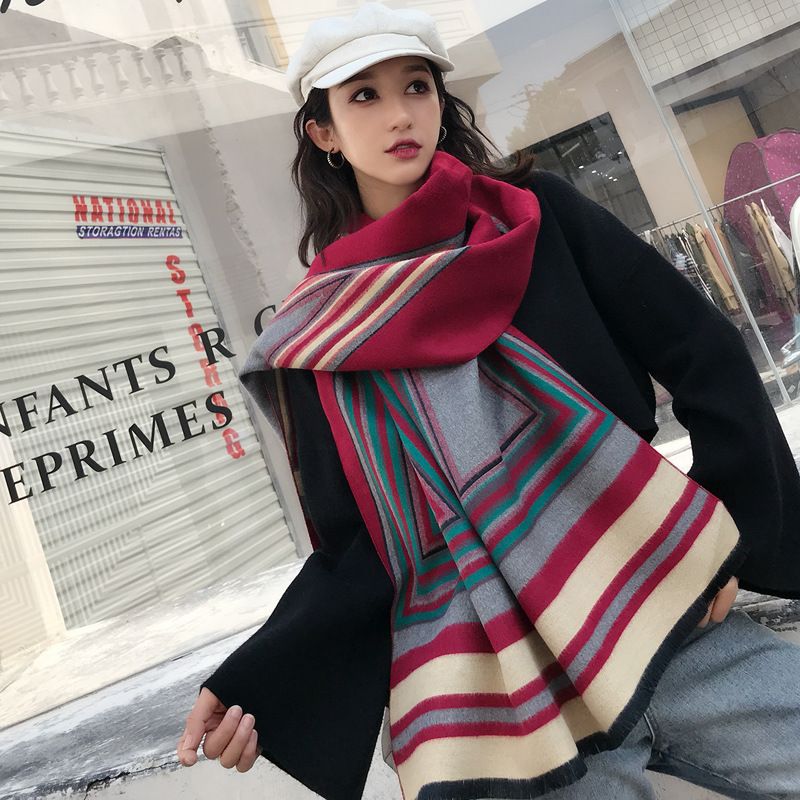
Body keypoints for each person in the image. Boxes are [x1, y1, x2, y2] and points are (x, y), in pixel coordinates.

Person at [176, 4, 800, 799]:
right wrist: (260, 682)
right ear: (323, 131)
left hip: (655, 612)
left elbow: (702, 350)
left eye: (416, 86)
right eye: (364, 95)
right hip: (510, 697)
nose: (400, 114)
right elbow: (364, 544)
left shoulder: (536, 218)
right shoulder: (321, 336)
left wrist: (729, 536)